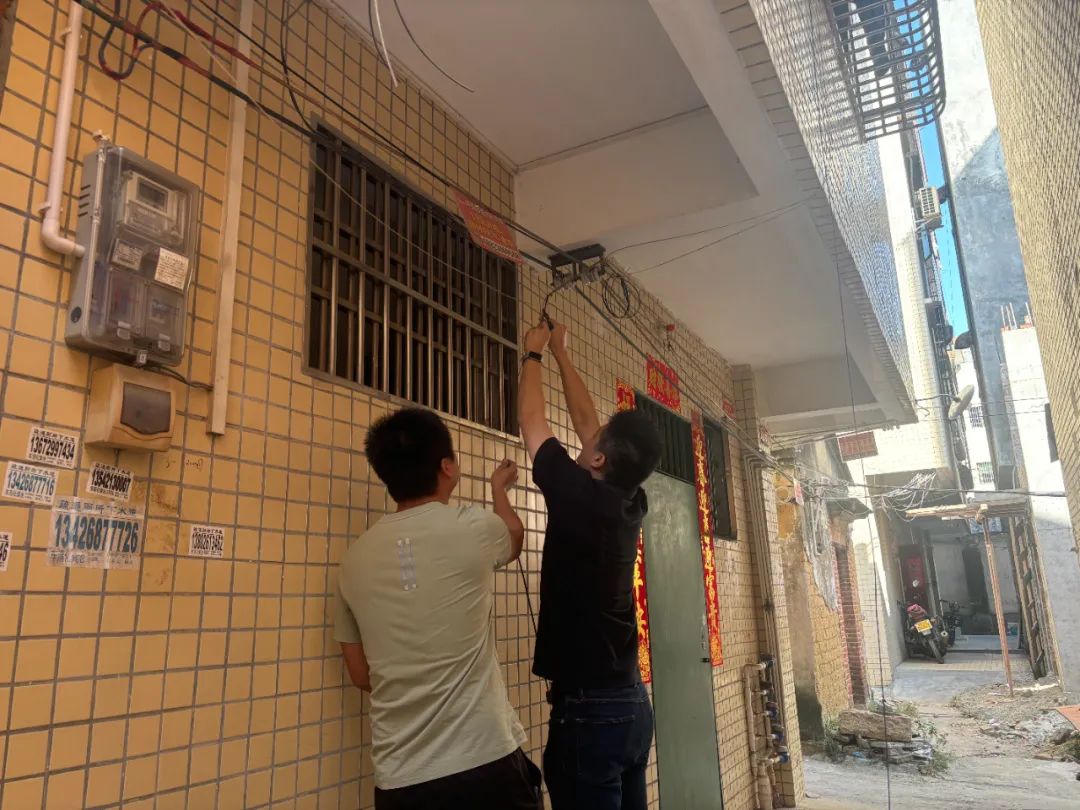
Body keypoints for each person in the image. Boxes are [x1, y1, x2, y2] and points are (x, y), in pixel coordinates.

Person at [334, 407, 542, 810]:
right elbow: (514, 537)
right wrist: (499, 490)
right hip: (486, 761)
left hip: (401, 781)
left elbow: (360, 674)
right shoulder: (471, 527)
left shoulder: (352, 562)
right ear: (447, 466)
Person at [518, 320, 662, 810]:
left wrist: (532, 354)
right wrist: (562, 352)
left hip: (591, 713)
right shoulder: (629, 499)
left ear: (599, 460)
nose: (588, 433)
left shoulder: (578, 496)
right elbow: (586, 422)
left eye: (595, 439)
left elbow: (532, 422)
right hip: (630, 705)